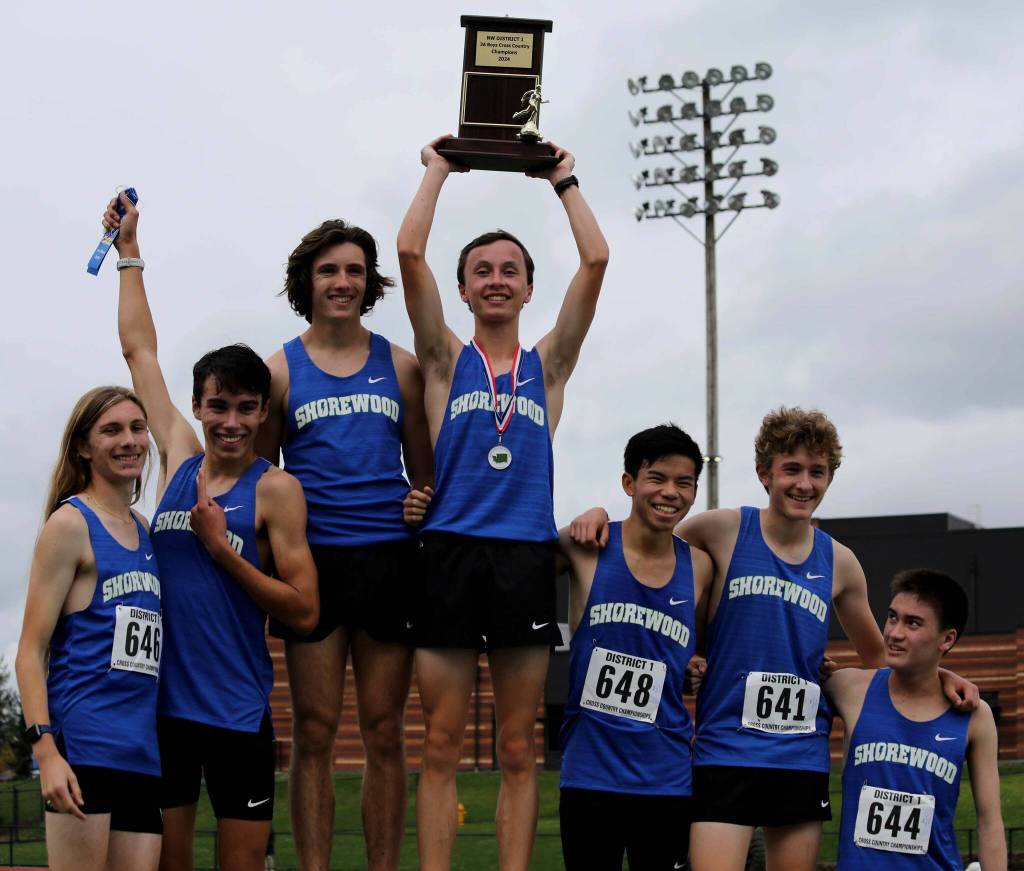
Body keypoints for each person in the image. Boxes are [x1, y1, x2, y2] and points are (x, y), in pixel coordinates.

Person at [571, 407, 978, 871]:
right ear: (764, 472)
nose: (804, 483)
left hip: (799, 755)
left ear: (830, 478)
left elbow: (880, 657)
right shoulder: (721, 530)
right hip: (725, 749)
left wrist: (940, 674)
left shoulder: (840, 562)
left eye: (817, 472)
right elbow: (650, 546)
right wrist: (600, 513)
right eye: (791, 469)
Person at [397, 134, 608, 870]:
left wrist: (564, 182)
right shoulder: (443, 360)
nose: (495, 279)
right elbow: (410, 256)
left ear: (527, 288)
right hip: (448, 554)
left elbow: (597, 262)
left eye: (509, 270)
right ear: (463, 289)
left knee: (520, 746)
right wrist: (438, 171)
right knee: (443, 744)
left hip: (523, 555)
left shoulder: (546, 366)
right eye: (481, 270)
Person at [101, 194, 319, 871]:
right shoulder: (178, 454)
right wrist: (128, 252)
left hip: (235, 711)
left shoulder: (276, 490)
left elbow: (305, 608)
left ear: (262, 414)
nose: (229, 420)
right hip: (162, 708)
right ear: (198, 405)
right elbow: (139, 349)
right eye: (217, 404)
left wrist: (223, 549)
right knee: (167, 864)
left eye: (245, 407)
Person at [256, 220, 432, 871]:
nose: (343, 282)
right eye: (330, 270)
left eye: (355, 270)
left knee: (385, 733)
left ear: (370, 282)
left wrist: (424, 500)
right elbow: (262, 479)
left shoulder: (402, 366)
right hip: (314, 567)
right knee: (316, 731)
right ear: (308, 280)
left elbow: (426, 472)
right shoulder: (279, 370)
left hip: (388, 559)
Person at [16, 386, 163, 871]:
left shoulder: (144, 529)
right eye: (112, 430)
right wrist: (46, 752)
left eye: (137, 428)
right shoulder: (71, 525)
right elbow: (30, 651)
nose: (129, 441)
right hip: (84, 750)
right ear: (84, 446)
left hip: (141, 755)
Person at [558, 425, 713, 870]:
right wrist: (584, 514)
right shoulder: (585, 545)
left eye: (684, 482)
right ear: (629, 483)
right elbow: (511, 564)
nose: (670, 492)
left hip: (666, 781)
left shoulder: (700, 567)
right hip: (590, 775)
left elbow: (701, 649)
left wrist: (696, 664)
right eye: (657, 478)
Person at [828, 569, 1006, 870]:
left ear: (946, 639)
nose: (894, 633)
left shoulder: (973, 716)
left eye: (913, 623)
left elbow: (990, 823)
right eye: (892, 616)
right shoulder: (848, 688)